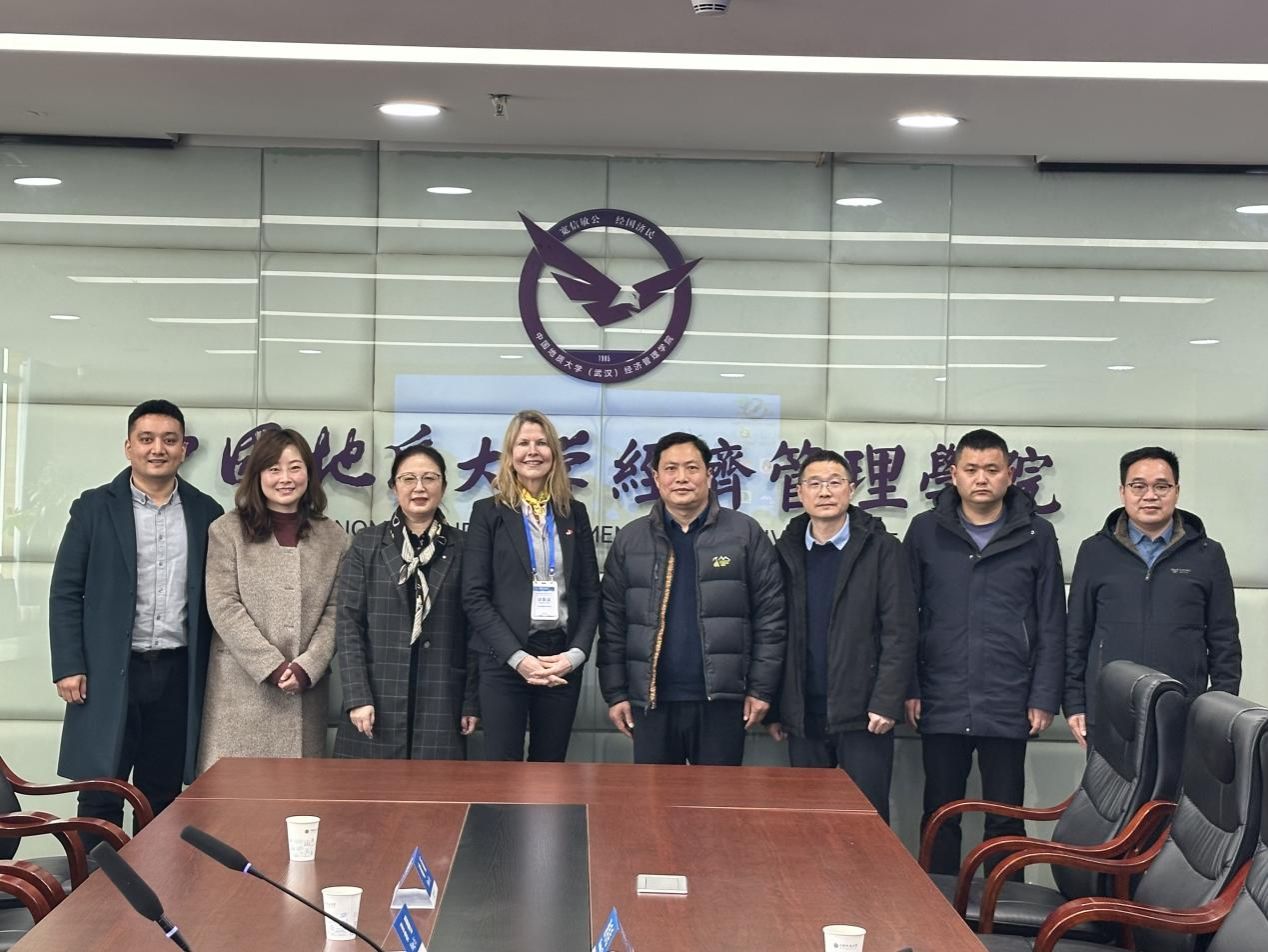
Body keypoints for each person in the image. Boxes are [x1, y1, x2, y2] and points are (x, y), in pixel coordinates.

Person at [49, 400, 223, 831]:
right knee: (100, 791)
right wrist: (68, 665)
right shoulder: (93, 508)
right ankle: (96, 874)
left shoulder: (206, 513)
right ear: (128, 447)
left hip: (177, 672)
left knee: (162, 794)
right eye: (146, 439)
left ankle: (155, 875)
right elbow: (66, 591)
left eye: (169, 440)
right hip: (107, 673)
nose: (157, 449)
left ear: (184, 448)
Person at [903, 428, 1065, 876]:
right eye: (971, 469)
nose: (981, 479)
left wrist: (1043, 696)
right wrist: (910, 687)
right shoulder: (925, 531)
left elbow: (1052, 620)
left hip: (1009, 695)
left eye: (991, 469)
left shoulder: (1037, 534)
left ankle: (1006, 906)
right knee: (940, 813)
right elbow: (905, 617)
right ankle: (936, 905)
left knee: (1005, 818)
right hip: (942, 692)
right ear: (953, 474)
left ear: (1009, 475)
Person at [599, 431, 785, 766]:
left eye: (692, 468)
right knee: (653, 797)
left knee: (718, 797)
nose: (682, 478)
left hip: (723, 701)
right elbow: (612, 624)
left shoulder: (744, 533)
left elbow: (771, 617)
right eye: (671, 469)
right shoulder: (631, 540)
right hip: (652, 702)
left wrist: (761, 689)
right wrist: (616, 693)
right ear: (656, 478)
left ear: (709, 475)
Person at [767, 450, 916, 821]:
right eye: (815, 483)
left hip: (864, 714)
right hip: (804, 714)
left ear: (851, 489)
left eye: (834, 482)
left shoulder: (882, 549)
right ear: (799, 493)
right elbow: (773, 631)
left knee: (865, 821)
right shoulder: (784, 551)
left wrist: (887, 701)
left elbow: (899, 631)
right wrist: (777, 707)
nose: (825, 492)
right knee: (808, 820)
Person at [1064, 446, 1240, 747]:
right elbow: (1077, 633)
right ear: (1122, 491)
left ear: (1176, 491)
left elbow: (1224, 638)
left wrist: (1220, 707)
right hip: (1109, 708)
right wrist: (1075, 703)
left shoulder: (1207, 555)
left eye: (1161, 486)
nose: (1150, 496)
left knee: (1175, 781)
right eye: (1138, 486)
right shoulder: (1095, 551)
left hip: (1183, 711)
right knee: (1108, 781)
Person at [198, 428, 349, 771]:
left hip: (305, 692)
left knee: (297, 796)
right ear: (257, 475)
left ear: (309, 474)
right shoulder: (227, 530)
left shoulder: (333, 537)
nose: (285, 478)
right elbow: (223, 605)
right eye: (274, 469)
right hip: (240, 693)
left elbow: (337, 611)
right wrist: (272, 666)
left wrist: (307, 667)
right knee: (234, 795)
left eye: (295, 468)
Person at [462, 410, 600, 762]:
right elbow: (474, 596)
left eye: (542, 443)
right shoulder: (488, 512)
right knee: (502, 768)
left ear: (554, 453)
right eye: (523, 443)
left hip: (560, 659)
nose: (533, 451)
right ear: (510, 455)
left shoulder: (574, 513)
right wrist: (518, 658)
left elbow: (590, 594)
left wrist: (575, 655)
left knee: (549, 769)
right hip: (504, 659)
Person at [334, 445, 478, 759]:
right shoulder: (367, 544)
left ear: (443, 486)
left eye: (430, 478)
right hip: (376, 698)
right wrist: (357, 696)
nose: (419, 487)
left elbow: (474, 632)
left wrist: (470, 701)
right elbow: (348, 625)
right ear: (393, 487)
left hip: (442, 699)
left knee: (435, 789)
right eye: (408, 478)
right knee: (369, 789)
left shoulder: (465, 547)